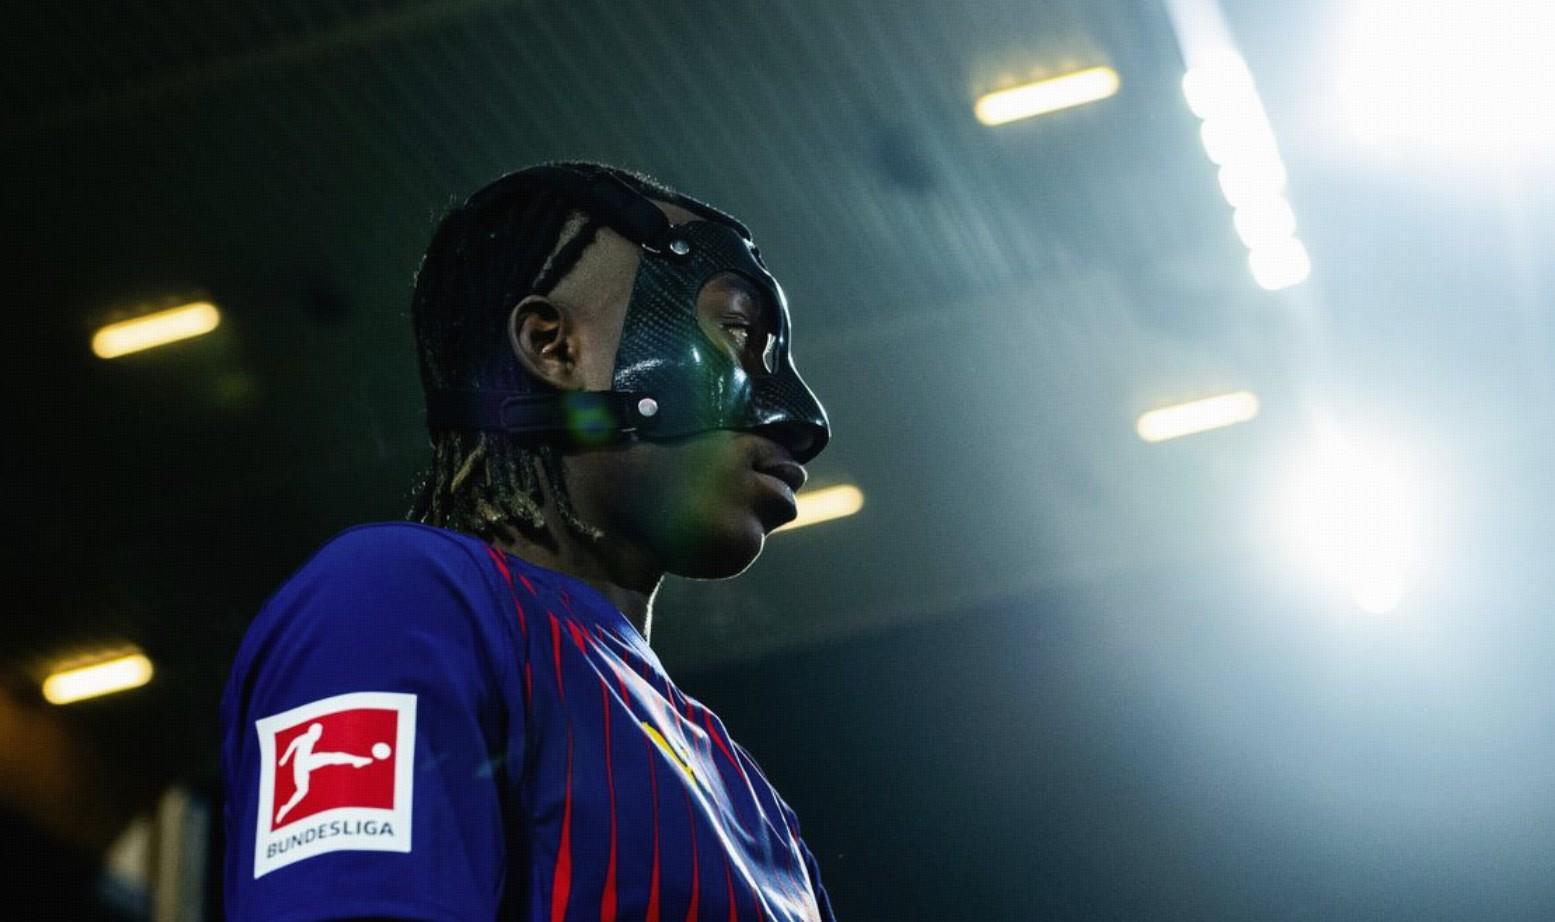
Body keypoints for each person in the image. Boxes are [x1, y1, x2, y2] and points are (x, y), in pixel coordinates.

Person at [220, 162, 838, 921]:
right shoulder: (390, 597)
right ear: (554, 347)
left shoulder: (748, 795)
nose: (803, 419)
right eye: (736, 333)